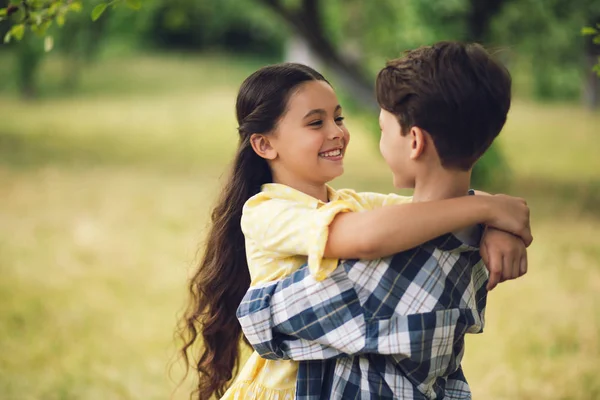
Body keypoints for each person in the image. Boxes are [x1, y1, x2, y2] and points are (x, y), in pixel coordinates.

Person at [178, 61, 531, 400]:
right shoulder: (267, 211)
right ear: (265, 145)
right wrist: (487, 209)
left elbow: (432, 211)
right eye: (316, 123)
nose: (337, 132)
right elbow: (365, 237)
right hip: (285, 391)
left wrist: (495, 224)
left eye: (338, 117)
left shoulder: (351, 203)